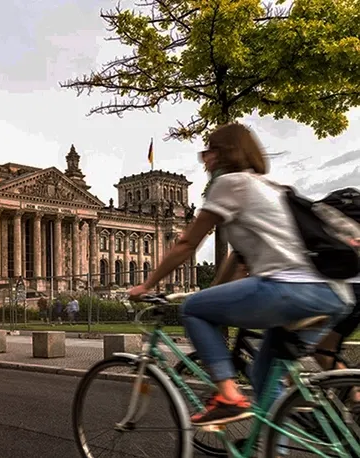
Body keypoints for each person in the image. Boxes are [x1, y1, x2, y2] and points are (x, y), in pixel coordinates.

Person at [128, 123, 351, 427]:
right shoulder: (273, 188)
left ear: (224, 154)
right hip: (332, 294)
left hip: (287, 289)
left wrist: (147, 284)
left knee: (192, 309)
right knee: (263, 377)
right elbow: (241, 257)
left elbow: (186, 243)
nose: (204, 159)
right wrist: (216, 292)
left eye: (208, 151)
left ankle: (229, 396)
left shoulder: (230, 184)